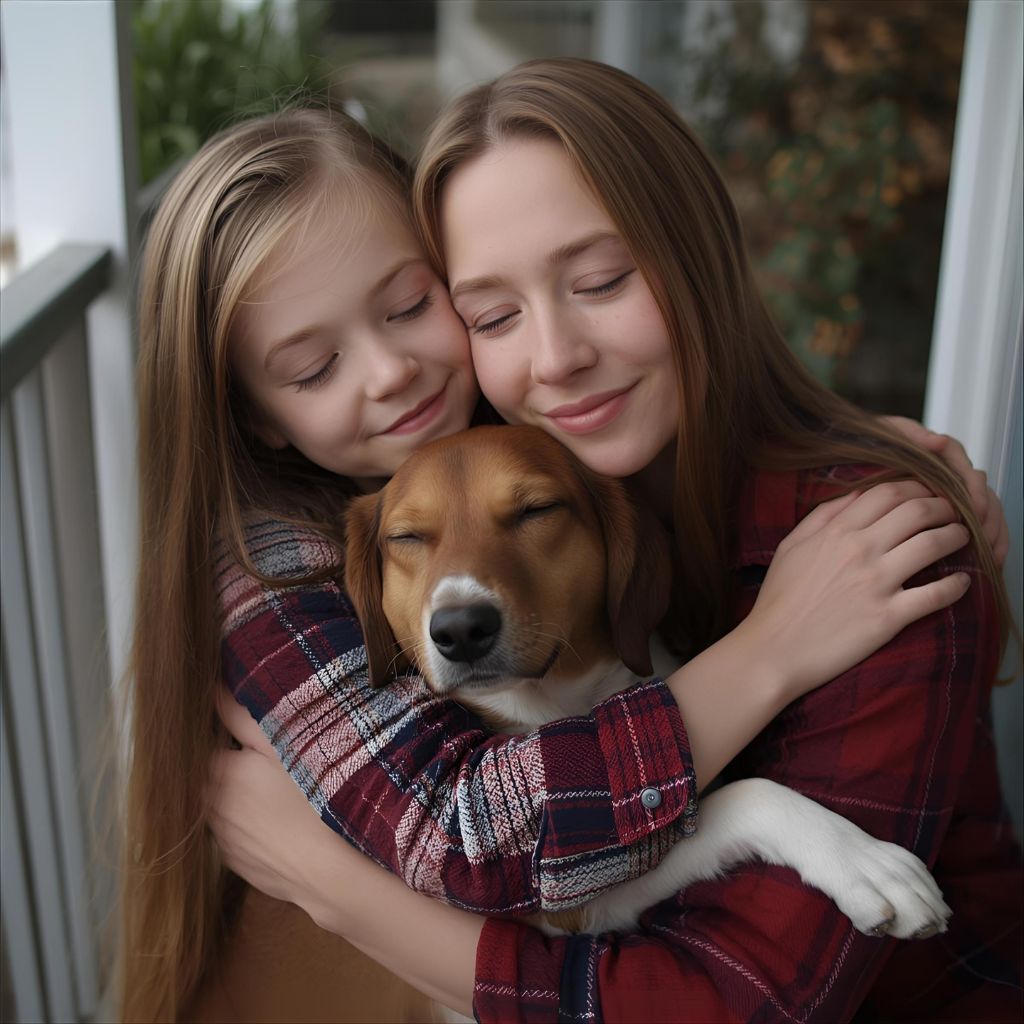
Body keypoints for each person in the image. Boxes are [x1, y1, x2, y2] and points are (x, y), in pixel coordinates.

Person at [121, 75, 1013, 1022]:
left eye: (599, 282)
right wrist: (771, 652)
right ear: (252, 416)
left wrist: (329, 879)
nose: (553, 357)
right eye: (495, 314)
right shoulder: (285, 574)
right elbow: (479, 842)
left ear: (698, 259)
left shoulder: (859, 547)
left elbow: (721, 996)